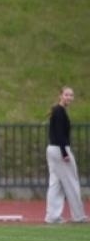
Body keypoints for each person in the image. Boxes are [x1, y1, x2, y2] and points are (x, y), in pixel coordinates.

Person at [45, 86, 86, 225]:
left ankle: (52, 217)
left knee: (56, 184)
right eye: (67, 95)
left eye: (71, 95)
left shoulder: (57, 111)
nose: (69, 97)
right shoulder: (59, 111)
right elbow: (60, 134)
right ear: (60, 96)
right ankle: (79, 216)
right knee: (72, 182)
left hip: (52, 149)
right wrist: (64, 153)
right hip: (60, 150)